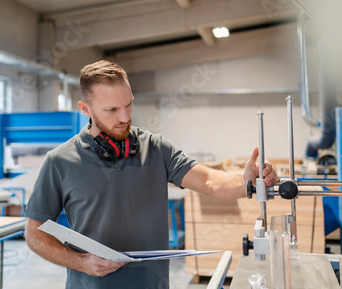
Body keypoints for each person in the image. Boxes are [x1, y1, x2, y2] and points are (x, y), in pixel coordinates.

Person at [25, 60, 279, 288]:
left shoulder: (155, 148)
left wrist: (248, 180)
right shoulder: (59, 161)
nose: (125, 117)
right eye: (112, 110)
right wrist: (80, 262)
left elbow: (207, 180)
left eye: (129, 104)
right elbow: (34, 234)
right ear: (86, 109)